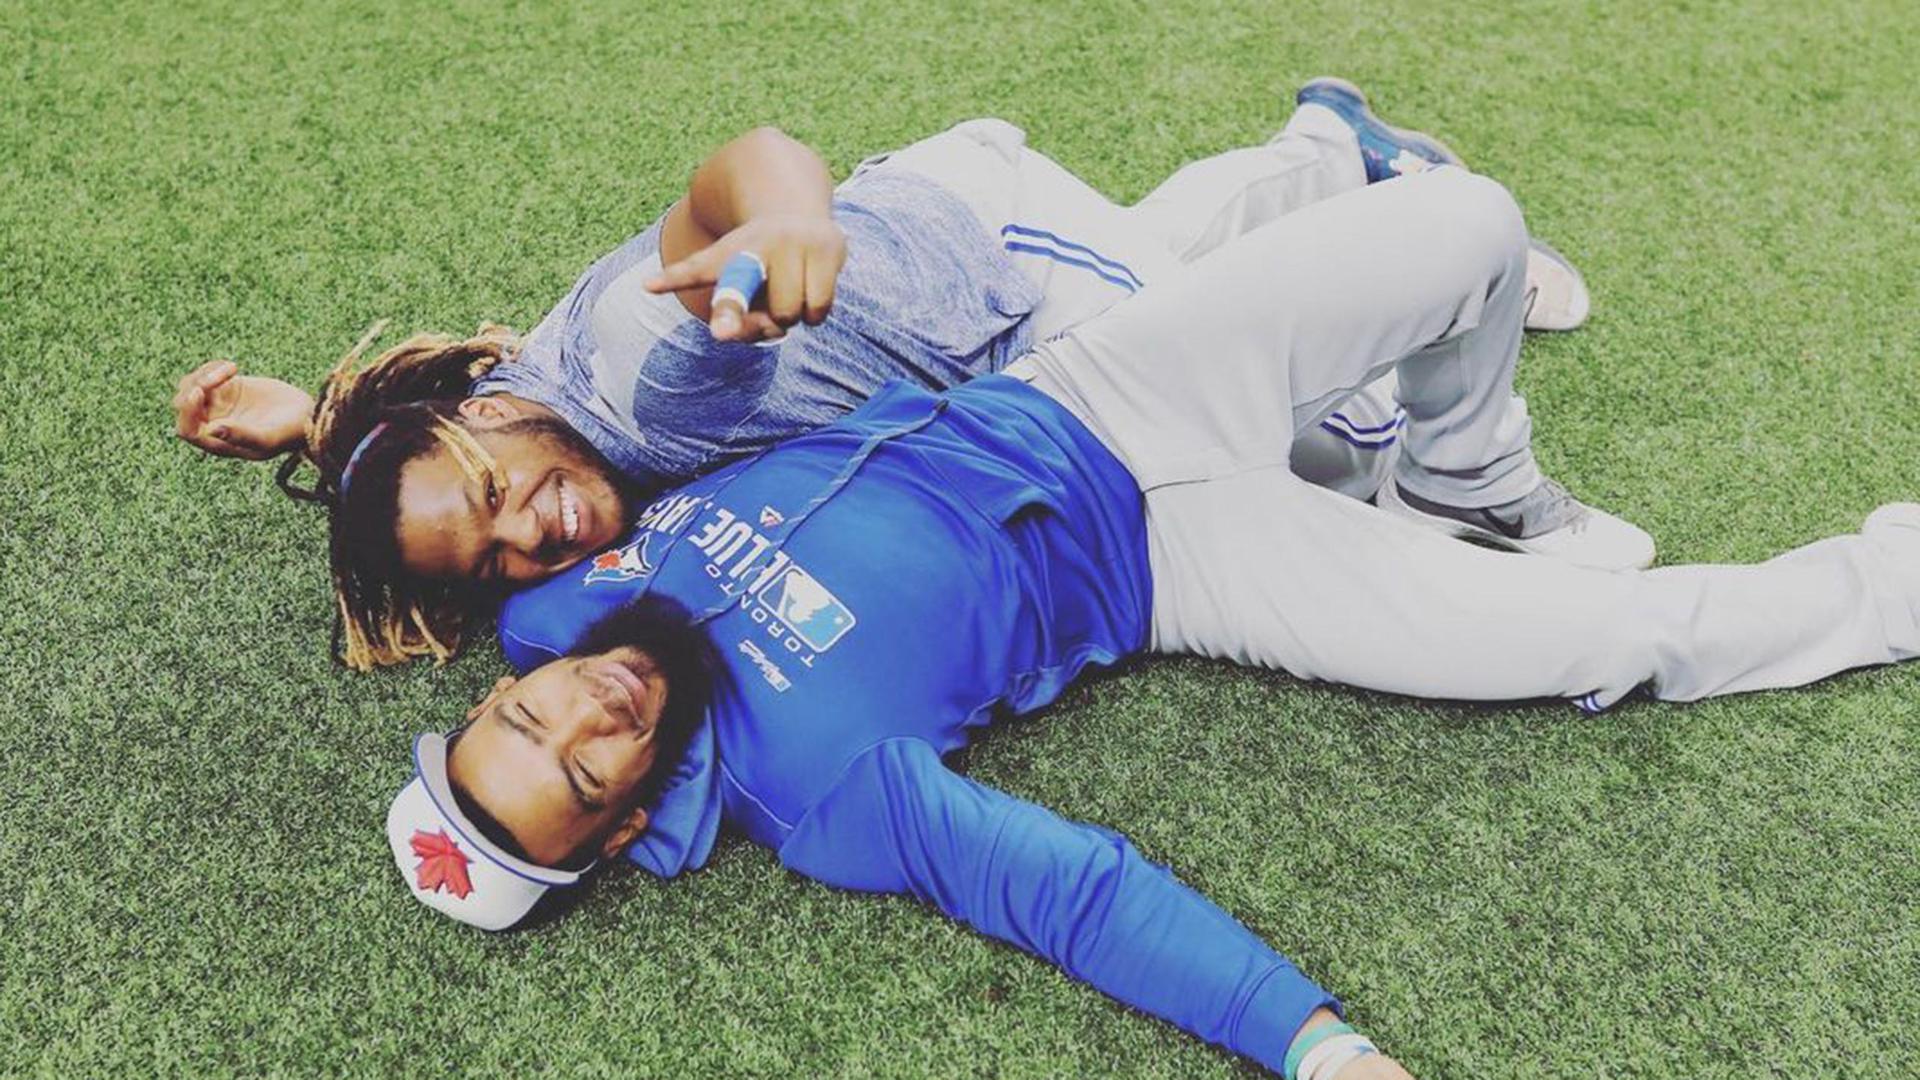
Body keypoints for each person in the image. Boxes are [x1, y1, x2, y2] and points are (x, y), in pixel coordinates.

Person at [384, 166, 1920, 1076]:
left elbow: (460, 462)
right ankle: (1888, 586)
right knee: (1602, 642)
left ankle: (1464, 472)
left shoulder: (563, 597)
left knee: (1469, 221)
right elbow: (1073, 894)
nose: (589, 718)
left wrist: (317, 423)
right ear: (622, 827)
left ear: (492, 692)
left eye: (527, 720)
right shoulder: (826, 800)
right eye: (585, 776)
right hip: (1185, 563)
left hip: (1097, 384)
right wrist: (1319, 1049)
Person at [171, 79, 1616, 670]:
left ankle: (1428, 269)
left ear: (494, 416)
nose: (531, 534)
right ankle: (1328, 145)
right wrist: (317, 425)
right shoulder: (512, 417)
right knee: (1173, 261)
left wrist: (787, 218)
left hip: (993, 265)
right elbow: (422, 458)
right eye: (488, 556)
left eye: (497, 495)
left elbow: (733, 174)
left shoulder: (636, 375)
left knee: (1327, 437)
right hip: (962, 257)